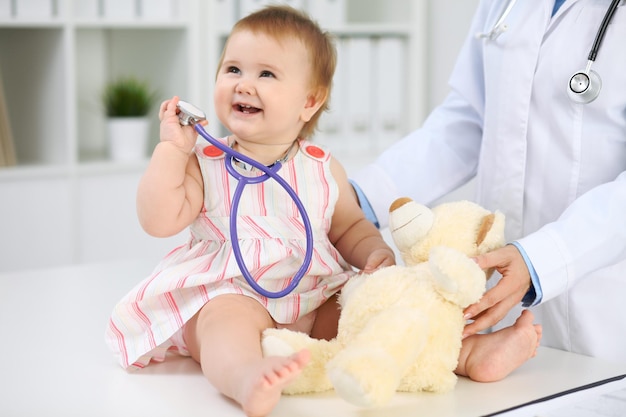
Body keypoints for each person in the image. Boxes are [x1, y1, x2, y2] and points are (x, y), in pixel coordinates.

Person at [106, 6, 396, 417]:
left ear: (309, 101)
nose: (244, 84)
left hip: (311, 293)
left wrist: (373, 252)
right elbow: (157, 219)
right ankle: (246, 378)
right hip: (234, 290)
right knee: (223, 322)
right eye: (233, 69)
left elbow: (349, 227)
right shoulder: (204, 160)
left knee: (363, 305)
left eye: (266, 74)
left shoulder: (321, 167)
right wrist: (172, 150)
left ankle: (445, 356)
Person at [351, 0, 626, 364]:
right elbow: (469, 120)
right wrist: (353, 202)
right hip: (497, 298)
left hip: (602, 310)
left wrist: (542, 260)